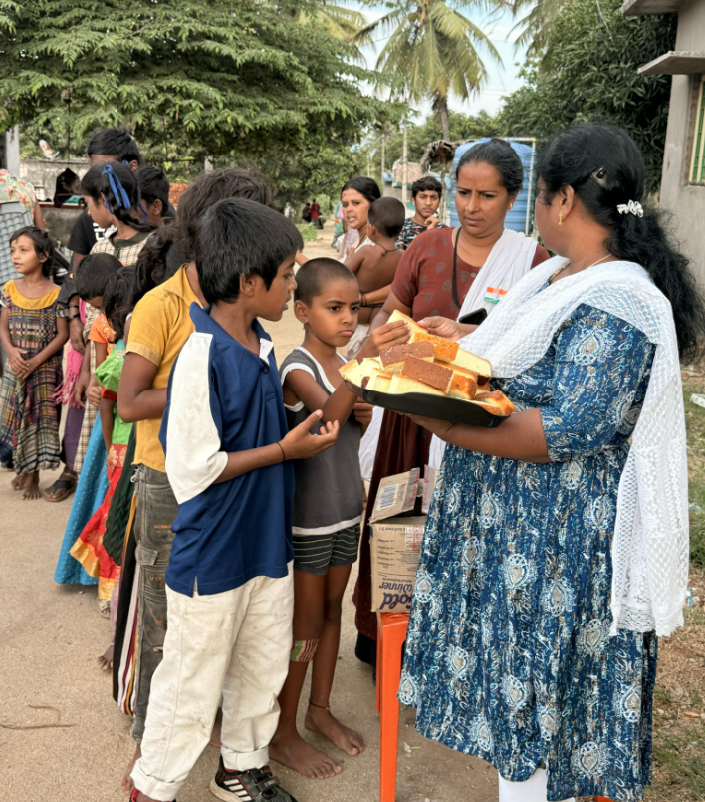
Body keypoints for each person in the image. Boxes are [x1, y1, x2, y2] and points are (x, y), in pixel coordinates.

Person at [399, 124, 705, 802]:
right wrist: (443, 352)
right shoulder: (559, 276)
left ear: (561, 199)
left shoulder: (620, 302)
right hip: (520, 539)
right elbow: (516, 360)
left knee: (544, 721)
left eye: (534, 197)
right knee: (522, 723)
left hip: (557, 548)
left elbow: (563, 427)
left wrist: (437, 418)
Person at [129, 198, 340, 802]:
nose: (292, 286)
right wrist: (284, 452)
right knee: (191, 679)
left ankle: (241, 767)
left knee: (261, 663)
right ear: (249, 283)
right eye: (286, 277)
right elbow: (196, 470)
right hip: (215, 550)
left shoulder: (264, 343)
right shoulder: (201, 355)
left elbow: (260, 426)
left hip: (265, 542)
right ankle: (154, 784)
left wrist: (294, 425)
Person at [353, 139, 550, 666]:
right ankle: (385, 639)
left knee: (463, 540)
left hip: (481, 429)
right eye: (463, 192)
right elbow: (389, 315)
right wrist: (381, 344)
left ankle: (449, 650)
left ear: (512, 198)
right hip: (412, 420)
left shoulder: (534, 262)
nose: (472, 205)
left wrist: (465, 337)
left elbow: (538, 348)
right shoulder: (426, 248)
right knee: (399, 528)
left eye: (487, 195)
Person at [114, 166, 276, 795]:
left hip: (233, 487)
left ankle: (227, 754)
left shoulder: (246, 314)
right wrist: (205, 393)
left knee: (225, 625)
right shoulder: (164, 305)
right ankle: (151, 757)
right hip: (168, 479)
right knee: (170, 629)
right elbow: (129, 403)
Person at [270, 258, 372, 779]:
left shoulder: (344, 368)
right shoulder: (297, 367)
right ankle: (284, 729)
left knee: (334, 613)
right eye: (335, 308)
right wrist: (359, 376)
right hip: (309, 519)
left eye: (354, 308)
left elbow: (357, 414)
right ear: (303, 310)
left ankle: (320, 709)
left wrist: (358, 395)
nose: (348, 319)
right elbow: (331, 416)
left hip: (344, 511)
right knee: (305, 625)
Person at [69, 268, 135, 629]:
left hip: (132, 446)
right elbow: (106, 403)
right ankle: (110, 590)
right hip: (124, 447)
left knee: (121, 517)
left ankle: (119, 587)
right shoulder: (120, 356)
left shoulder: (131, 352)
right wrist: (111, 446)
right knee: (116, 516)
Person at [54, 253, 122, 595]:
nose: (103, 309)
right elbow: (98, 372)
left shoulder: (139, 318)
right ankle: (94, 572)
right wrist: (95, 387)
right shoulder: (99, 326)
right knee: (103, 492)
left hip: (126, 416)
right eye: (96, 305)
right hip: (110, 422)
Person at [0, 227, 68, 499]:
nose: (16, 256)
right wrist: (11, 353)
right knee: (16, 419)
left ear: (43, 256)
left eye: (24, 250)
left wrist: (37, 360)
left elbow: (63, 334)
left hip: (44, 372)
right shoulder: (8, 288)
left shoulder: (56, 293)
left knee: (39, 421)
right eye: (13, 250)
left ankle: (34, 476)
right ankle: (22, 468)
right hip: (14, 369)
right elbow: (3, 328)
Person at [345, 197, 405, 355]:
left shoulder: (365, 252)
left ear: (370, 228)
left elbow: (342, 273)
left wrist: (350, 256)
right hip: (381, 316)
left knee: (356, 358)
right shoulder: (402, 257)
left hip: (359, 314)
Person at [396, 175, 448, 251]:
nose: (428, 203)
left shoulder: (445, 231)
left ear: (439, 202)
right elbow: (402, 261)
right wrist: (428, 235)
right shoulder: (401, 228)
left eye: (433, 198)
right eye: (423, 197)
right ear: (413, 200)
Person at [341, 176, 380, 261]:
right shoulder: (360, 241)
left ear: (373, 205)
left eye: (355, 203)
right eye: (345, 205)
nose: (348, 209)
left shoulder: (374, 245)